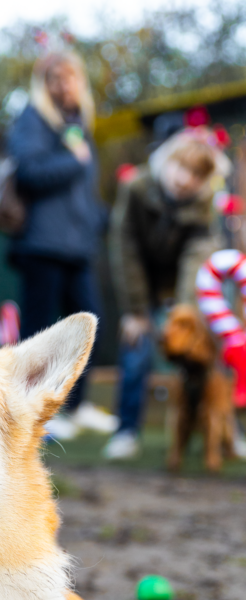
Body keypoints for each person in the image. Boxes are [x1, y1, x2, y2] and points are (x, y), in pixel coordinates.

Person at [6, 51, 115, 440]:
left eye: (70, 76)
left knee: (91, 322)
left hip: (77, 247)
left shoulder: (78, 123)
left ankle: (78, 405)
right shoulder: (32, 120)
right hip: (41, 244)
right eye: (55, 77)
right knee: (39, 334)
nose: (63, 84)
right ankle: (36, 414)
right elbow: (29, 173)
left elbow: (85, 188)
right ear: (44, 83)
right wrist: (74, 161)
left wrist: (97, 219)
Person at [104, 127, 230, 460]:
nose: (184, 179)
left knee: (203, 354)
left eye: (195, 174)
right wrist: (135, 310)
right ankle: (126, 430)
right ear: (167, 161)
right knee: (136, 348)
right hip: (140, 280)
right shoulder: (136, 188)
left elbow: (196, 259)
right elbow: (124, 248)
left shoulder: (205, 208)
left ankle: (226, 432)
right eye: (181, 167)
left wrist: (185, 314)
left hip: (179, 286)